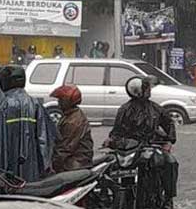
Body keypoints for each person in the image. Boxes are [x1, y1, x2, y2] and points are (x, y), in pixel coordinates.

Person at [106, 76, 177, 207]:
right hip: (129, 151)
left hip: (150, 146)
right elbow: (116, 131)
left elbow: (169, 123)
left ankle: (168, 198)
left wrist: (168, 141)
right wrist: (111, 141)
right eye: (147, 88)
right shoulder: (124, 109)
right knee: (108, 167)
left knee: (170, 162)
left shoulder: (155, 108)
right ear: (142, 90)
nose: (150, 90)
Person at [0, 66, 55, 183]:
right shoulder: (36, 105)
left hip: (2, 174)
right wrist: (45, 168)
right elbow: (46, 140)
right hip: (33, 175)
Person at [50, 84, 93, 173]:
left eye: (61, 100)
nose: (58, 102)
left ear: (68, 101)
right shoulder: (70, 115)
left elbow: (65, 149)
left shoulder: (73, 121)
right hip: (74, 161)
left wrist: (52, 165)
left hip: (75, 164)